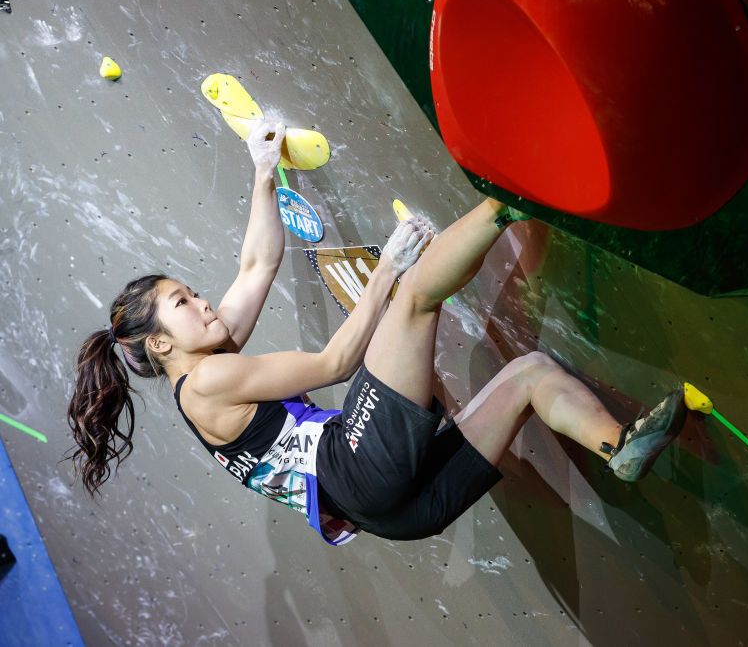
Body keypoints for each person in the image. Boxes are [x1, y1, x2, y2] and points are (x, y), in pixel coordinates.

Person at [66, 121, 690, 544]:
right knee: (415, 298)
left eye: (191, 291)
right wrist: (389, 267)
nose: (201, 301)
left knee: (528, 376)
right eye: (182, 301)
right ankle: (518, 195)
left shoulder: (205, 367)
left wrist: (262, 172)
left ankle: (618, 446)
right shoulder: (210, 378)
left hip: (393, 515)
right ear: (159, 343)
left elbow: (256, 264)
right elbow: (338, 361)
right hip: (358, 468)